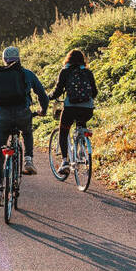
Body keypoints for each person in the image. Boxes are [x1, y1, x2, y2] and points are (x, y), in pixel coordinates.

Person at [0, 45, 49, 206]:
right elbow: (42, 96)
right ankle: (28, 160)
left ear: (4, 60)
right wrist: (42, 110)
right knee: (27, 132)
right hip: (22, 114)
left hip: (2, 117)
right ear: (19, 59)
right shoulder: (27, 74)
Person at [47, 48, 98, 180]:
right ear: (83, 60)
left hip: (70, 108)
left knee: (63, 131)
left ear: (68, 59)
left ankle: (65, 162)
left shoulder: (65, 71)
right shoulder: (87, 72)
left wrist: (48, 97)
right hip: (87, 110)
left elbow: (58, 91)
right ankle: (81, 149)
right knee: (81, 124)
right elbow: (95, 92)